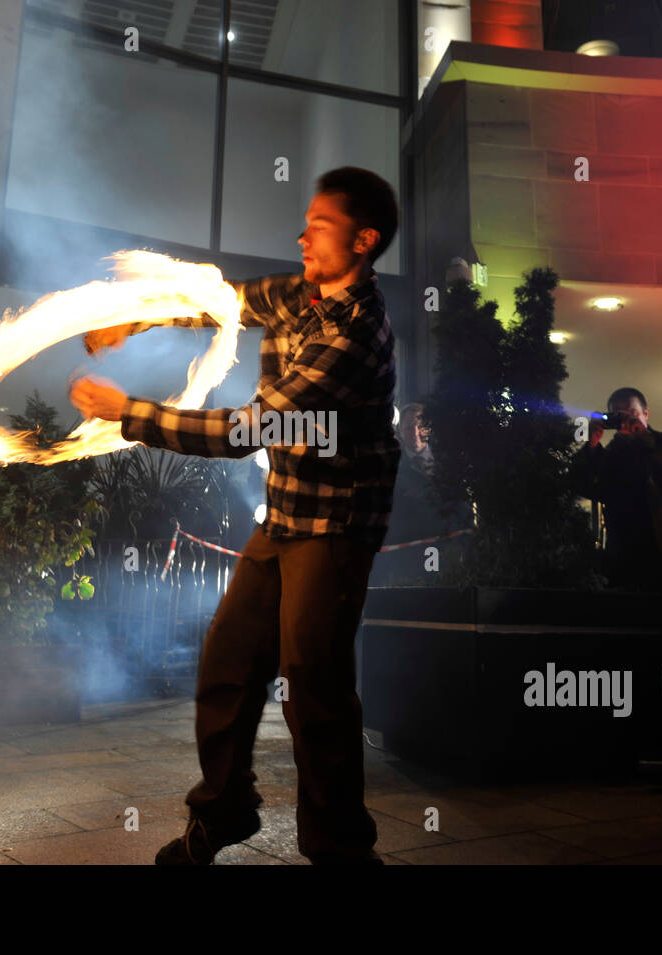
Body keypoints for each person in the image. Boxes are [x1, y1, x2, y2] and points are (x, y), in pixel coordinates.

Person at [71, 167, 399, 865]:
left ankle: (343, 849)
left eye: (320, 224)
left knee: (313, 684)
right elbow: (221, 302)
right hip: (283, 517)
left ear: (363, 241)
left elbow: (249, 431)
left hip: (333, 528)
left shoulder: (357, 335)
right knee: (226, 661)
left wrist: (128, 413)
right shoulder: (298, 294)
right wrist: (141, 316)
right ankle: (222, 812)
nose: (302, 234)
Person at [570, 387, 662, 591]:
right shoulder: (610, 456)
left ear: (645, 414)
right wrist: (591, 446)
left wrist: (647, 440)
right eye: (618, 415)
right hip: (623, 552)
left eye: (631, 414)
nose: (625, 421)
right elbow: (582, 486)